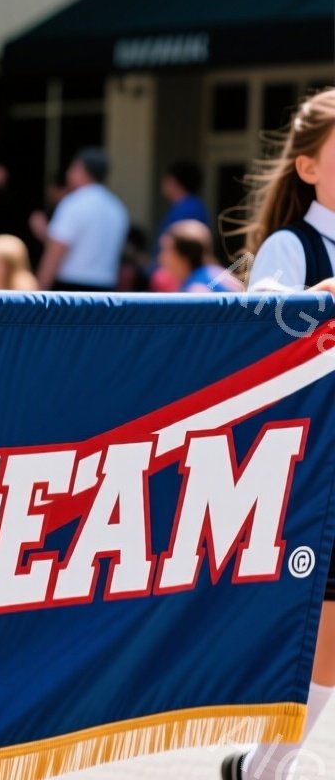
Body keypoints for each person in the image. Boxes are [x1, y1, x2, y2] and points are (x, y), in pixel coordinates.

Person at [226, 87, 335, 780]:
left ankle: (261, 766)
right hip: (322, 461)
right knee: (325, 633)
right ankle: (265, 767)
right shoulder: (291, 247)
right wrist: (314, 304)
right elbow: (263, 324)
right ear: (309, 168)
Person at [37, 147, 129, 292]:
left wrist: (39, 292)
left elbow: (56, 251)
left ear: (81, 169)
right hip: (107, 288)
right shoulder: (117, 208)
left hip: (71, 288)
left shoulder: (72, 203)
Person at [158, 220, 241, 293]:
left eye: (166, 250)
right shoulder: (216, 273)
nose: (160, 257)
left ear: (184, 256)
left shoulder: (195, 289)